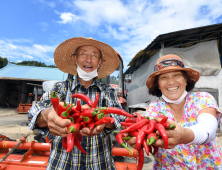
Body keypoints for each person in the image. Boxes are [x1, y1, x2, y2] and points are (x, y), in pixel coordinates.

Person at [28, 37, 126, 170]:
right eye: (83, 54)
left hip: (100, 164)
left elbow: (120, 119)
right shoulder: (60, 88)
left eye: (94, 55)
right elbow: (34, 112)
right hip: (61, 164)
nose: (89, 59)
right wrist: (46, 115)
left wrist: (104, 121)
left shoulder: (108, 91)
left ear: (100, 62)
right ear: (75, 59)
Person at [127, 54, 222, 169]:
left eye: (176, 75)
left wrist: (184, 135)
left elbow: (209, 128)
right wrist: (138, 138)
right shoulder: (154, 108)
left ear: (186, 79)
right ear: (158, 85)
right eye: (164, 77)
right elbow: (148, 134)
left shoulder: (203, 98)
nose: (171, 82)